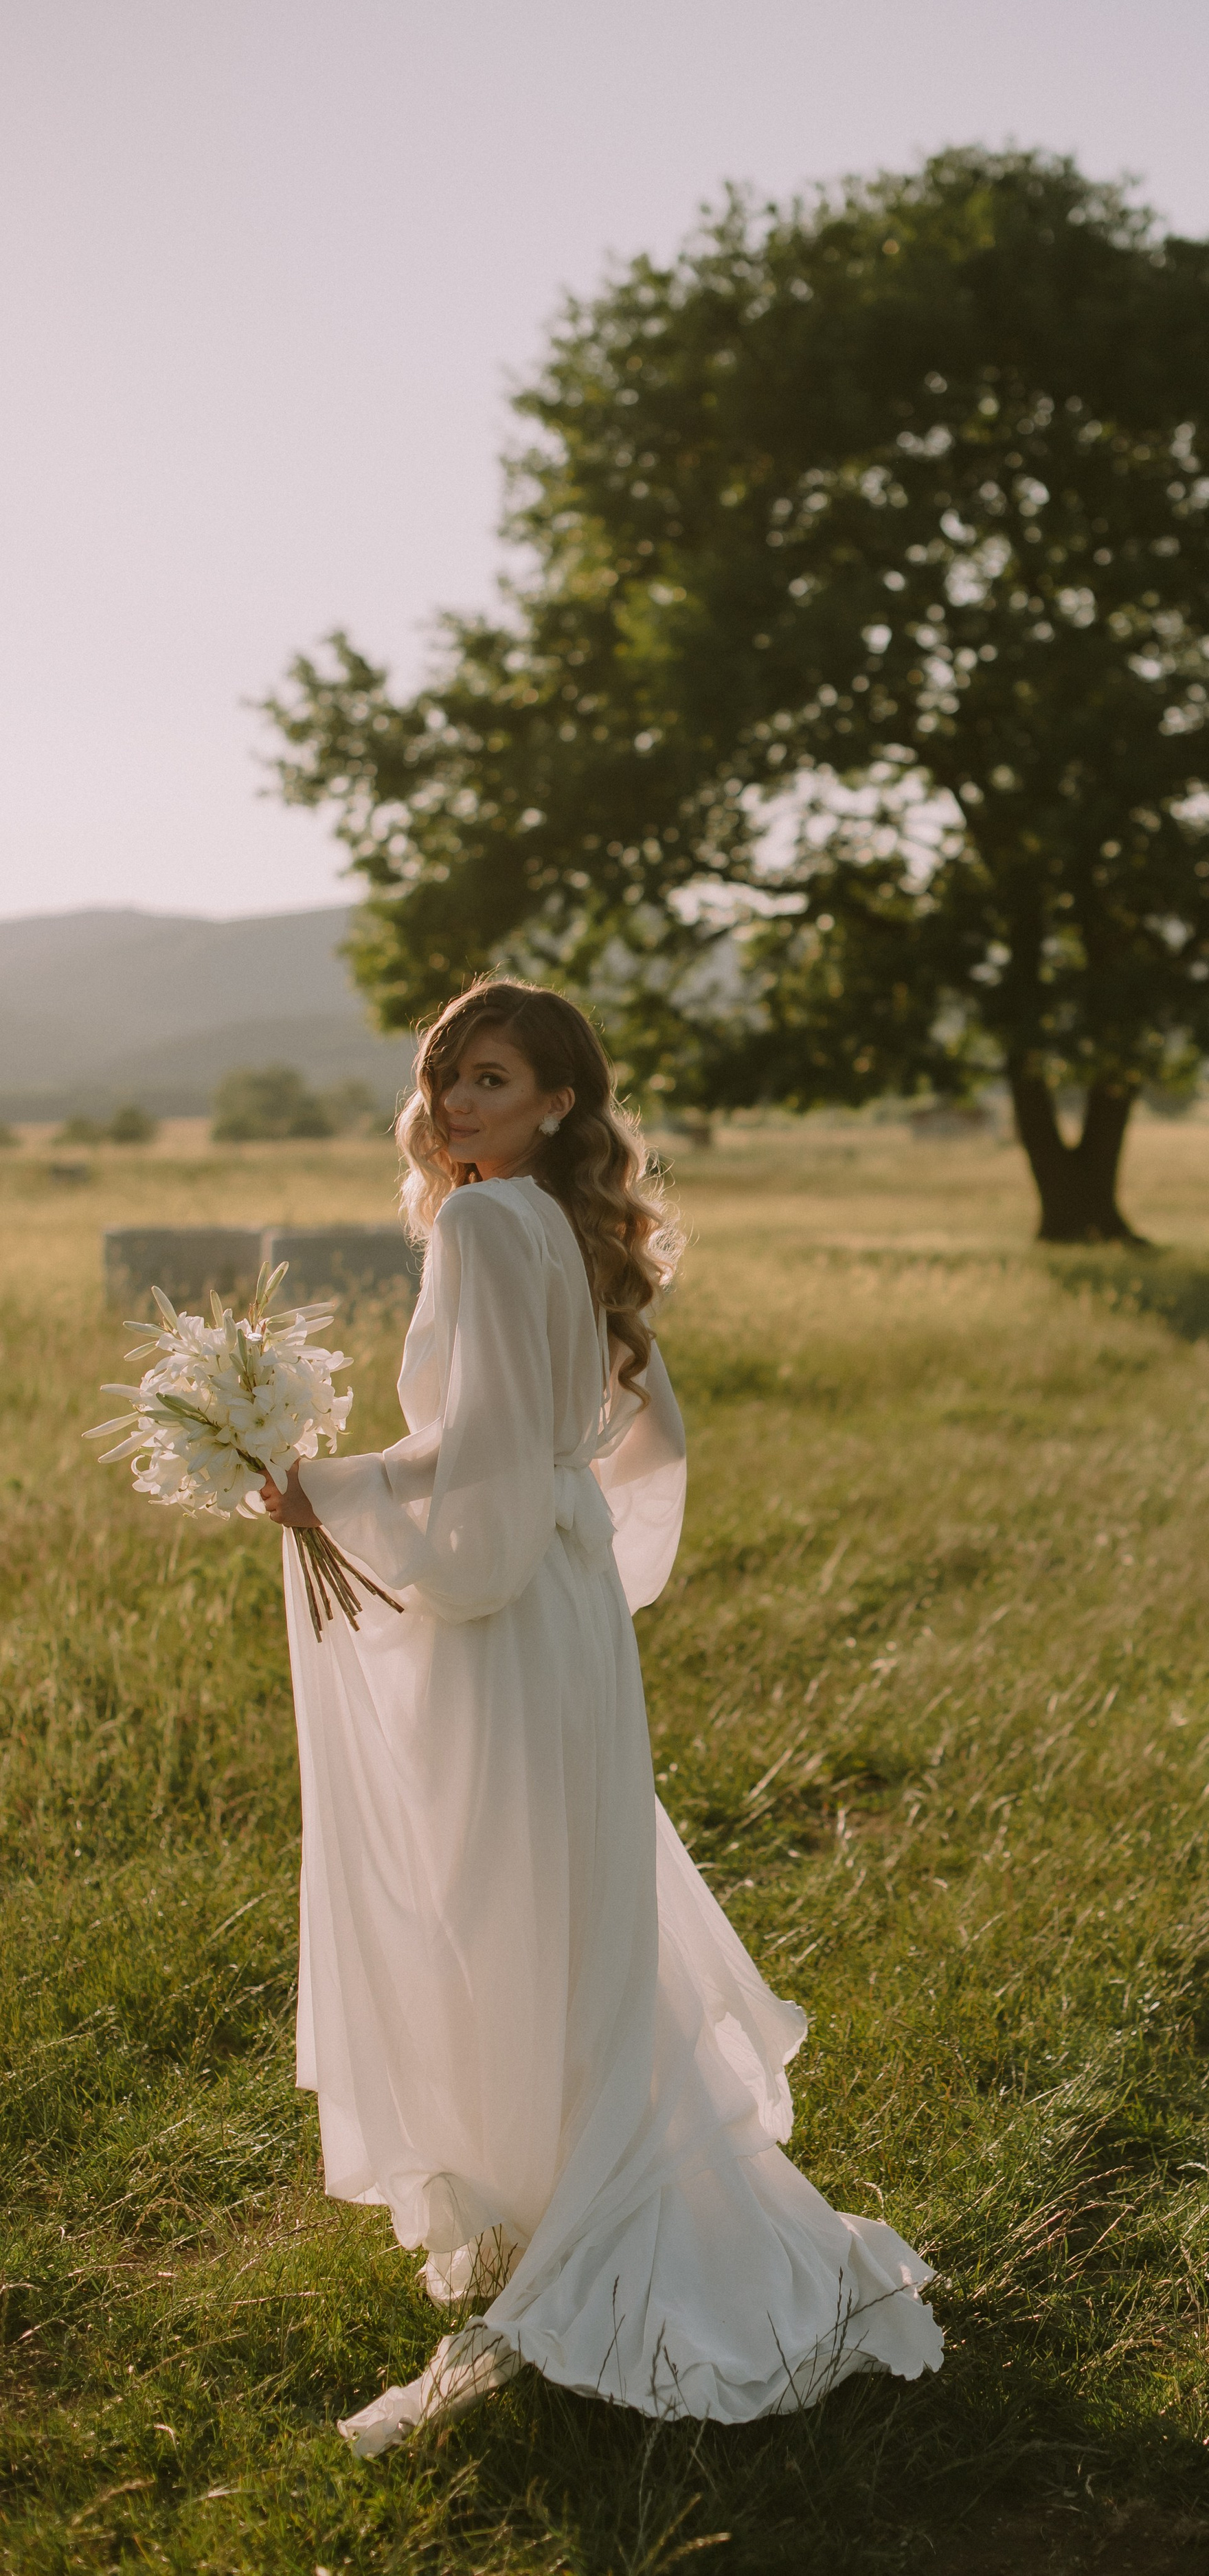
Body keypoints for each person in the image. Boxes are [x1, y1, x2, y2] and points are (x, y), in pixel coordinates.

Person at [260, 980, 941, 2456]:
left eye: (489, 1081)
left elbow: (481, 1449)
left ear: (559, 1098)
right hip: (557, 1598)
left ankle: (572, 2206)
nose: (454, 1109)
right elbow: (630, 1434)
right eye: (443, 1080)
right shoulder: (561, 1223)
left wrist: (325, 1486)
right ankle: (569, 2174)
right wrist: (529, 1532)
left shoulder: (486, 1221)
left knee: (501, 1897)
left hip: (503, 1613)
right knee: (556, 1895)